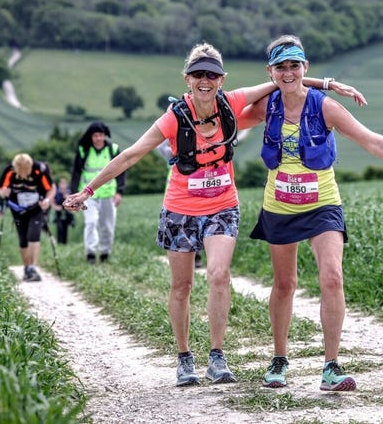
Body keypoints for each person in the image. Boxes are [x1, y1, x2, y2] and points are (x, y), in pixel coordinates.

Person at [63, 42, 365, 387]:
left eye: (211, 74)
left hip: (222, 205)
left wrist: (326, 84)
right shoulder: (174, 117)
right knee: (182, 286)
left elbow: (283, 82)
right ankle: (183, 357)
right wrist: (87, 190)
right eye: (197, 75)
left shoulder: (232, 102)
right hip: (180, 208)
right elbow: (131, 155)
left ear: (222, 79)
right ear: (187, 79)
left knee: (219, 275)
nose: (204, 80)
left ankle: (217, 357)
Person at [239, 35, 383, 392]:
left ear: (305, 67)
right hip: (279, 205)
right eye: (281, 67)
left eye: (295, 65)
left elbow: (370, 139)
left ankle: (331, 367)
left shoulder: (324, 107)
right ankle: (279, 360)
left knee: (332, 277)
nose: (289, 73)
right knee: (285, 284)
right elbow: (229, 114)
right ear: (270, 71)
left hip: (322, 203)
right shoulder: (266, 106)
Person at [70, 121, 126, 264]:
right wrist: (74, 193)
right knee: (91, 222)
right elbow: (76, 172)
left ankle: (105, 253)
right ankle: (90, 253)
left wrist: (119, 192)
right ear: (91, 136)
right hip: (88, 195)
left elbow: (121, 171)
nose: (98, 138)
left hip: (109, 194)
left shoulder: (113, 149)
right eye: (95, 135)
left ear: (105, 135)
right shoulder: (84, 150)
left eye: (101, 135)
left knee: (107, 226)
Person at [0, 153, 56, 282]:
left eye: (26, 171)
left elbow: (51, 189)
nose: (24, 175)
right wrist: (3, 192)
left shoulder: (39, 170)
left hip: (36, 208)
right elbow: (1, 189)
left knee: (33, 235)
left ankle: (32, 268)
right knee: (23, 238)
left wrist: (47, 200)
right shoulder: (10, 170)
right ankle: (26, 267)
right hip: (17, 209)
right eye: (21, 172)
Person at [156, 140, 202, 268]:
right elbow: (160, 145)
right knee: (181, 223)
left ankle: (196, 254)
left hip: (195, 186)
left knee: (195, 220)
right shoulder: (172, 153)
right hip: (176, 190)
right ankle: (181, 253)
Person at [51, 177, 75, 244]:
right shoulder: (56, 192)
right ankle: (59, 242)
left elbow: (72, 201)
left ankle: (65, 242)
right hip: (59, 211)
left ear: (66, 185)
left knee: (65, 228)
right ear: (59, 184)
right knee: (59, 227)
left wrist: (65, 196)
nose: (63, 185)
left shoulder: (68, 192)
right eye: (61, 184)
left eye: (64, 184)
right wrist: (56, 207)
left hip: (67, 211)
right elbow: (52, 201)